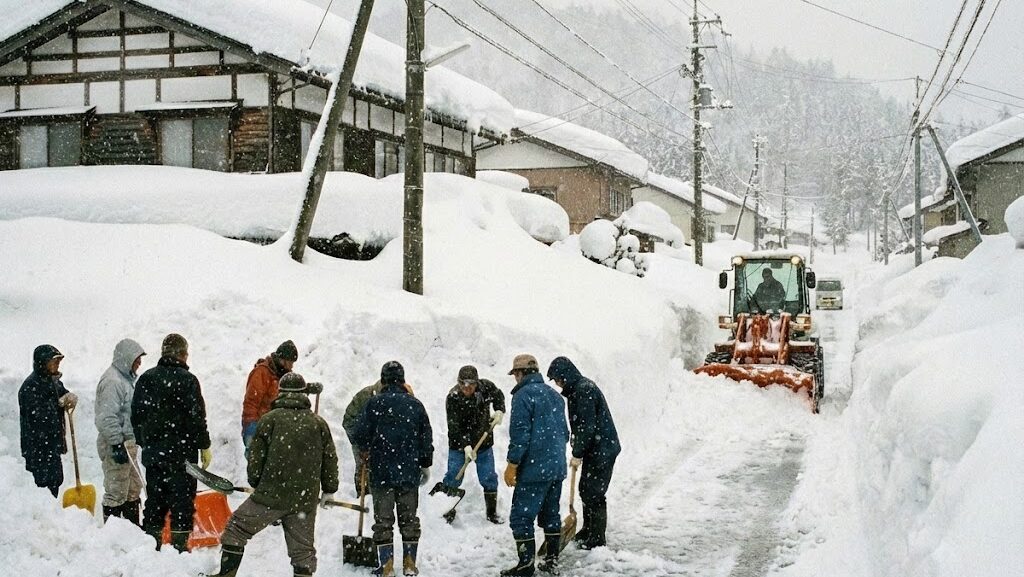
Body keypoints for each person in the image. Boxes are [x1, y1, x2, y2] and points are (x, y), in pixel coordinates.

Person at [210, 373, 339, 577]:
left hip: (270, 496)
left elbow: (256, 458)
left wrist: (257, 482)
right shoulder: (318, 423)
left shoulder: (269, 420)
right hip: (303, 500)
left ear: (281, 393)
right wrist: (329, 490)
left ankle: (226, 574)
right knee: (303, 552)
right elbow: (330, 458)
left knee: (236, 529)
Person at [131, 333, 212, 552]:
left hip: (155, 455)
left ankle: (151, 547)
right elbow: (197, 418)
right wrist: (203, 445)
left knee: (155, 503)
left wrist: (146, 442)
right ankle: (178, 550)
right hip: (182, 457)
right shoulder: (188, 381)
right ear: (182, 354)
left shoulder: (146, 379)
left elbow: (136, 417)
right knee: (182, 505)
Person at [353, 361, 433, 577]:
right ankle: (409, 564)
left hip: (381, 473)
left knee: (383, 520)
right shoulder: (415, 405)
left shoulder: (373, 403)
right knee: (409, 519)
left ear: (383, 380)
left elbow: (359, 434)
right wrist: (425, 464)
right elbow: (426, 438)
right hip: (408, 472)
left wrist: (366, 449)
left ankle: (387, 566)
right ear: (403, 380)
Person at [502, 354, 569, 577]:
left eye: (515, 375)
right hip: (556, 467)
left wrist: (512, 464)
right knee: (551, 515)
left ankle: (525, 565)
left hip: (533, 468)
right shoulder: (555, 396)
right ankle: (552, 560)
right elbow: (565, 434)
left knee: (521, 517)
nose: (515, 379)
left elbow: (520, 435)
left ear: (520, 374)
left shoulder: (523, 396)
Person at [546, 357, 620, 550]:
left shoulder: (583, 390)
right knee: (586, 489)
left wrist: (578, 452)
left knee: (593, 492)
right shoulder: (577, 389)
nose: (557, 383)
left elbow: (586, 427)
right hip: (595, 447)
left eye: (557, 379)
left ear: (565, 375)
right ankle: (588, 529)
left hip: (602, 448)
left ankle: (596, 538)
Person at [433, 365, 505, 524]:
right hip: (458, 446)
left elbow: (498, 395)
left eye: (471, 384)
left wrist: (500, 410)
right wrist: (465, 446)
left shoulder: (485, 388)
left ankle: (492, 512)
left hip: (483, 442)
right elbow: (454, 426)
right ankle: (446, 510)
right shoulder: (453, 397)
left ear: (477, 383)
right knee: (454, 476)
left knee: (488, 477)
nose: (466, 388)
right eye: (462, 384)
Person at [94, 338, 147, 525]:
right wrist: (116, 443)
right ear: (126, 358)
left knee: (133, 487)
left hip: (128, 443)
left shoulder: (127, 380)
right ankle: (112, 531)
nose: (139, 363)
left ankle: (132, 528)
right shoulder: (112, 381)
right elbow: (106, 416)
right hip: (115, 444)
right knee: (116, 489)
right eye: (136, 359)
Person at [19, 344, 77, 498]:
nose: (57, 364)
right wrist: (58, 403)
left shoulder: (53, 381)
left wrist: (68, 396)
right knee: (41, 490)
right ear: (42, 363)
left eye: (59, 361)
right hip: (38, 449)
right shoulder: (30, 387)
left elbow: (61, 393)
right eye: (54, 361)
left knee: (55, 481)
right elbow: (39, 418)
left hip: (52, 447)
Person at [242, 340, 298, 458]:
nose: (292, 366)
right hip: (259, 426)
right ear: (282, 360)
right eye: (290, 362)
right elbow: (251, 403)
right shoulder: (261, 373)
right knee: (257, 462)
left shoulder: (284, 376)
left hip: (276, 429)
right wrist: (251, 430)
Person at [342, 379, 383, 491]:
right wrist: (359, 442)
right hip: (362, 441)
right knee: (364, 471)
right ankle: (362, 493)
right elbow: (348, 421)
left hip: (385, 444)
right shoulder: (364, 396)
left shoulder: (398, 396)